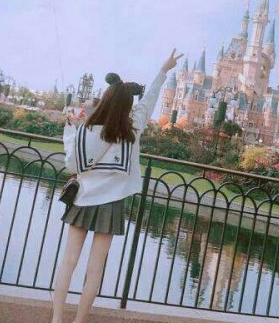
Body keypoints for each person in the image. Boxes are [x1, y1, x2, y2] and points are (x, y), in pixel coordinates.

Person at [52, 49, 183, 323]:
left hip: (82, 200)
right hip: (110, 205)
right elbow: (149, 101)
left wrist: (68, 131)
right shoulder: (132, 131)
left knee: (68, 262)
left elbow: (72, 165)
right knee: (95, 270)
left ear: (105, 100)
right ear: (127, 106)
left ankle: (56, 319)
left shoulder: (84, 131)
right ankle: (79, 322)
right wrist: (163, 70)